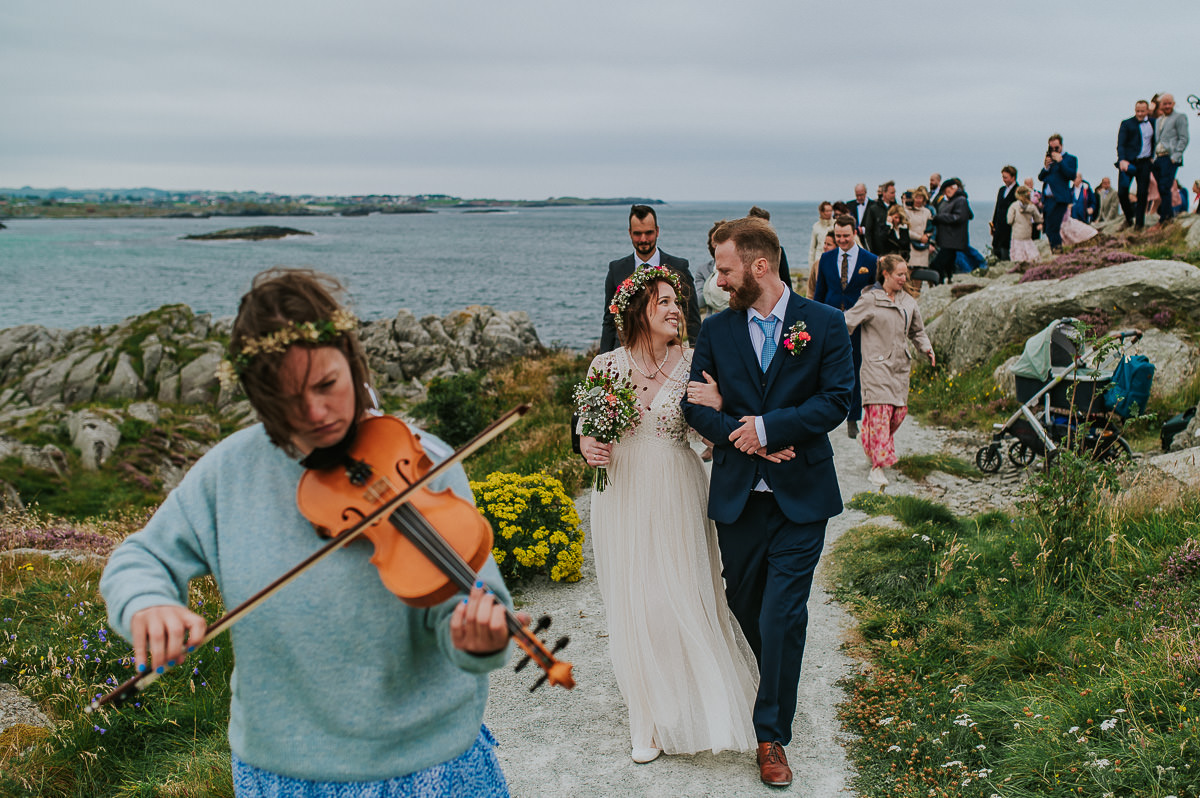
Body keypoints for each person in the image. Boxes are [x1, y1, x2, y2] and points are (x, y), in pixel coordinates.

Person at [100, 268, 520, 796]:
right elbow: (141, 559)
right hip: (283, 772)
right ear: (258, 399)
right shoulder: (229, 473)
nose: (317, 413)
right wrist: (146, 602)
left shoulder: (424, 462)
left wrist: (475, 639)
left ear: (351, 359)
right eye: (289, 402)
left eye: (328, 384)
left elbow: (474, 604)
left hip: (428, 765)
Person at [682, 216, 854, 788]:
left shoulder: (825, 324)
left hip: (802, 496)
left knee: (782, 613)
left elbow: (836, 401)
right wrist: (745, 432)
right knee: (747, 603)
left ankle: (770, 732)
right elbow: (694, 406)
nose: (718, 279)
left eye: (725, 268)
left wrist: (770, 427)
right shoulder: (715, 331)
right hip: (739, 498)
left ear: (760, 266)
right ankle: (778, 678)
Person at [578, 266, 759, 765]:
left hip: (677, 489)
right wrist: (587, 443)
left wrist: (720, 407)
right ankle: (651, 719)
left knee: (676, 596)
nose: (676, 309)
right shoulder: (605, 367)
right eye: (663, 301)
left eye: (677, 301)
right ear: (638, 311)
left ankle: (698, 704)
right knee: (635, 601)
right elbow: (587, 431)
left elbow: (713, 433)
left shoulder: (697, 363)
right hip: (623, 493)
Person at [843, 254, 934, 488]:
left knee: (898, 414)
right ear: (886, 274)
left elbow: (917, 331)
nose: (904, 278)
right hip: (875, 366)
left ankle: (869, 441)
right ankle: (878, 467)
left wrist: (926, 348)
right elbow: (846, 322)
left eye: (906, 274)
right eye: (899, 274)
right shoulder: (870, 299)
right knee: (880, 415)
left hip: (900, 367)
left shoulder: (909, 302)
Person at [600, 204, 700, 353]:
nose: (643, 239)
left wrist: (697, 359)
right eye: (637, 234)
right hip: (625, 353)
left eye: (649, 233)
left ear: (657, 231)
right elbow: (609, 321)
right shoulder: (616, 269)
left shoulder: (679, 267)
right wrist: (604, 360)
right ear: (629, 233)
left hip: (667, 353)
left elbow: (692, 318)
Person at [812, 215, 878, 439]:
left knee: (855, 368)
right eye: (838, 236)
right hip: (830, 321)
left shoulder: (870, 260)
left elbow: (875, 293)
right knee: (824, 368)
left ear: (855, 234)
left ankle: (853, 418)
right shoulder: (827, 259)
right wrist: (815, 319)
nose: (841, 240)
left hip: (858, 324)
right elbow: (820, 292)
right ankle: (823, 413)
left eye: (846, 236)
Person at [1116, 100, 1156, 230]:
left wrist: (1153, 157)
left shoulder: (1153, 123)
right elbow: (1121, 144)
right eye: (1137, 111)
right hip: (1128, 162)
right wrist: (1122, 160)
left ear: (1147, 111)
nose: (1139, 113)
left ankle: (1139, 224)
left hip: (1145, 162)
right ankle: (1129, 217)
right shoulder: (1127, 124)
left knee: (1142, 193)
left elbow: (1157, 140)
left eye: (1142, 111)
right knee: (1122, 192)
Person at [1154, 93, 1189, 225]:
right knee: (1160, 188)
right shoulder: (1158, 120)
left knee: (1165, 186)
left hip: (1170, 157)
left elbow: (1184, 138)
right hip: (1158, 158)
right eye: (1165, 103)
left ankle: (1166, 217)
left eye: (1169, 103)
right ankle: (1165, 215)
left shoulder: (1180, 117)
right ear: (1160, 105)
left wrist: (1176, 156)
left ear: (1174, 104)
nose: (1167, 106)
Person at [1039, 133, 1079, 249]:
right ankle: (1055, 250)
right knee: (1048, 228)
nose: (1054, 150)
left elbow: (1071, 175)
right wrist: (1046, 167)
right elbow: (1041, 177)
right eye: (1051, 148)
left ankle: (1057, 251)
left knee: (1053, 227)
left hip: (1060, 198)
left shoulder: (1070, 159)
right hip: (1048, 199)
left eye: (1056, 148)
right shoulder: (1050, 159)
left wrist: (1061, 161)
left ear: (1061, 146)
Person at [929, 178, 971, 283]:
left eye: (947, 192)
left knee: (937, 265)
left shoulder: (961, 200)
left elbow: (958, 217)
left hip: (952, 240)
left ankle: (940, 285)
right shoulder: (956, 200)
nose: (946, 195)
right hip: (949, 239)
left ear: (952, 188)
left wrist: (939, 217)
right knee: (948, 264)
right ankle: (947, 282)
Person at [748, 206, 792, 286]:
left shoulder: (777, 250)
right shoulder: (741, 251)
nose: (764, 230)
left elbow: (785, 280)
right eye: (760, 226)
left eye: (766, 226)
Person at [1007, 185, 1044, 264]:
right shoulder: (1032, 207)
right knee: (1031, 256)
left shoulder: (1014, 206)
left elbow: (1009, 221)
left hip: (1017, 236)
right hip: (1027, 235)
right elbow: (1039, 219)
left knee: (1018, 258)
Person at [990, 166, 1019, 261]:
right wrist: (993, 223)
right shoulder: (1001, 190)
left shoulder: (1017, 190)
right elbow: (997, 207)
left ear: (1013, 177)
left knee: (1005, 252)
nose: (1004, 180)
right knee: (996, 251)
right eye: (1003, 177)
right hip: (999, 226)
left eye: (1006, 177)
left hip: (1009, 227)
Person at [906, 187, 934, 270]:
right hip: (911, 244)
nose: (918, 200)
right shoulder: (907, 211)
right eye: (917, 197)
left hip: (923, 245)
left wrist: (927, 236)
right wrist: (919, 237)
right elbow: (905, 230)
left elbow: (930, 228)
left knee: (920, 272)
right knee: (909, 270)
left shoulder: (927, 212)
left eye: (920, 198)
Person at [807, 201, 836, 275]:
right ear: (821, 212)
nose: (829, 213)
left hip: (833, 259)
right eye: (827, 211)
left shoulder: (836, 224)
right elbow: (812, 248)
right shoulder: (816, 226)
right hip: (819, 258)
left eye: (830, 210)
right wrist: (811, 268)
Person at [807, 229, 837, 298]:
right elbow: (810, 292)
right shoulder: (817, 264)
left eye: (829, 244)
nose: (825, 247)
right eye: (825, 243)